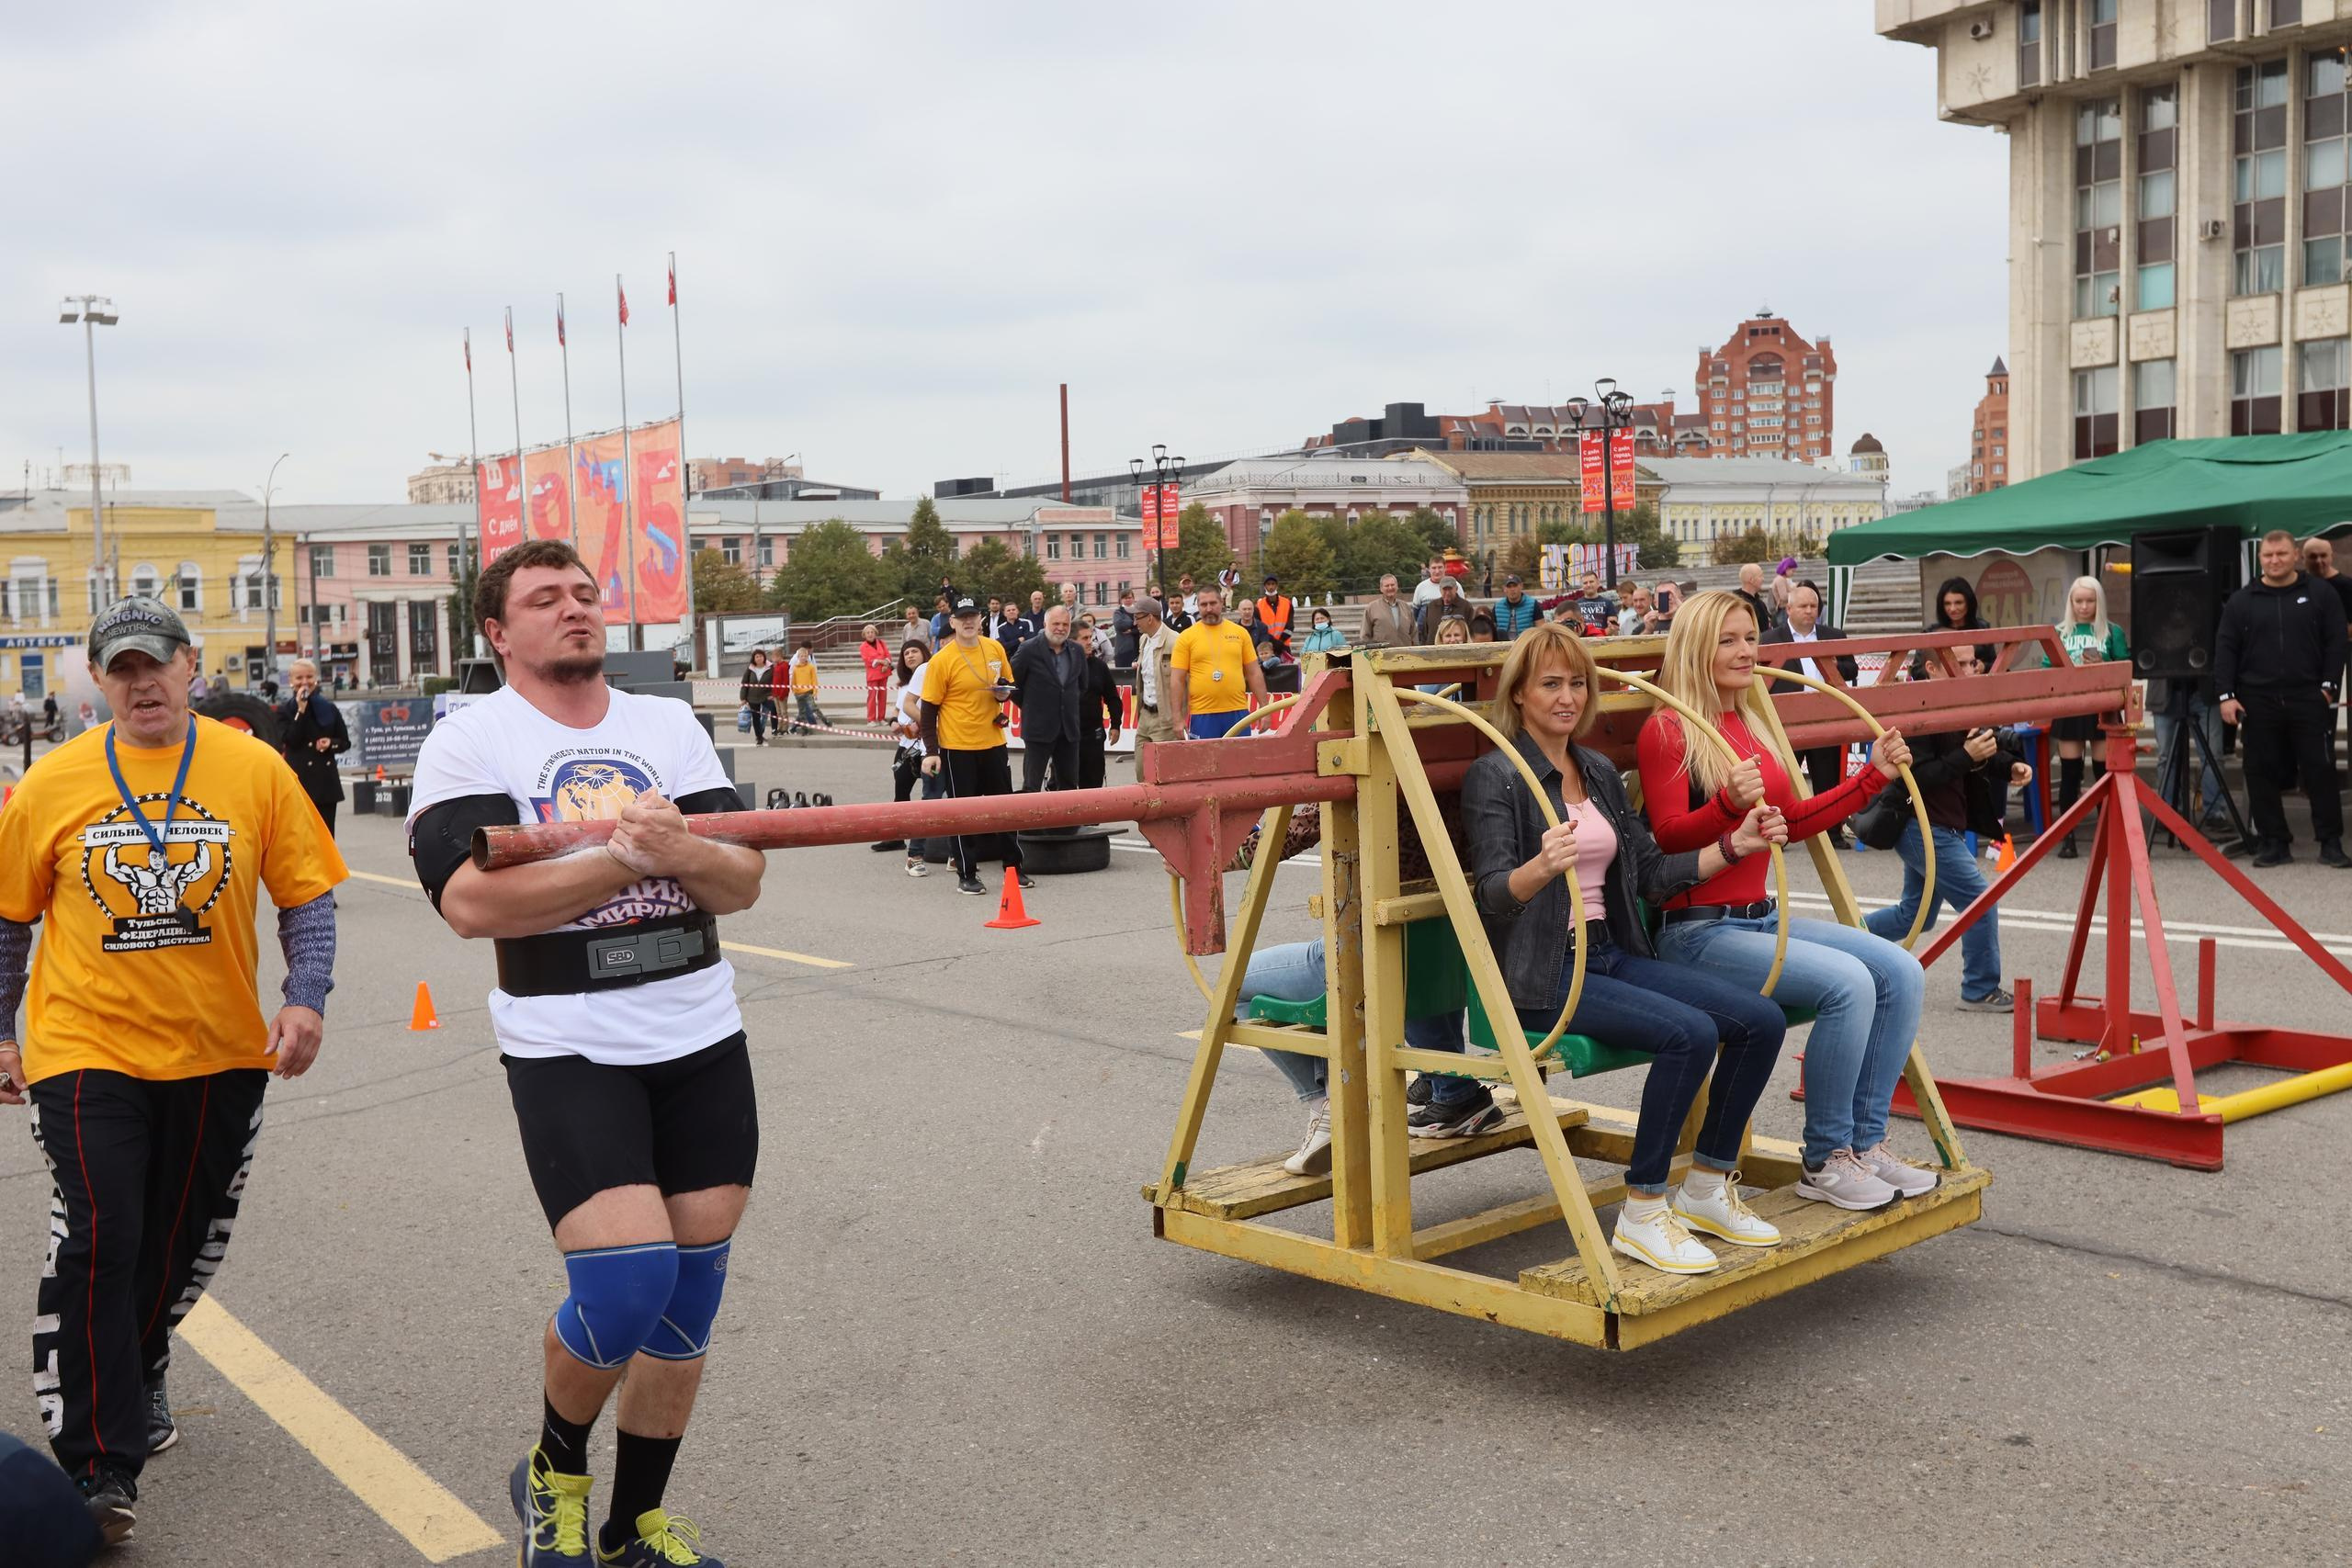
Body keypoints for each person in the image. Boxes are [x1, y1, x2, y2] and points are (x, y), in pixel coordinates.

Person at [404, 539, 762, 1568]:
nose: (574, 611)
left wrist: (680, 850)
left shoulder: (667, 726)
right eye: (545, 599)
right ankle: (553, 1472)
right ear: (496, 631)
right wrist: (620, 855)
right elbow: (472, 903)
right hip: (569, 1040)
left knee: (690, 1289)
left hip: (699, 1029)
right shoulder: (473, 743)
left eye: (584, 594)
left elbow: (737, 883)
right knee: (624, 1284)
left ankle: (635, 1522)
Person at [0, 595, 345, 1547]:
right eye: (122, 669)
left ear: (190, 666)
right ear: (100, 681)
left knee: (174, 1238)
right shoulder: (55, 782)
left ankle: (140, 1359)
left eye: (157, 663)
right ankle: (99, 1466)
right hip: (85, 1048)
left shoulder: (255, 770)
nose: (142, 682)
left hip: (219, 1049)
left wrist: (306, 995)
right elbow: (8, 920)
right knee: (103, 1234)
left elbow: (306, 899)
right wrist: (1, 1029)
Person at [1463, 622, 1791, 1273]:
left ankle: (1705, 1187)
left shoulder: (1600, 772)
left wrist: (1734, 845)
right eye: (1550, 683)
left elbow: (1648, 871)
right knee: (1690, 1034)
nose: (1567, 696)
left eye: (1577, 683)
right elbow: (1490, 893)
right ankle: (1642, 1210)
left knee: (1761, 1020)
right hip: (1543, 974)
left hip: (1609, 951)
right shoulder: (1495, 774)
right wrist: (1538, 868)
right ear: (1520, 695)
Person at [1640, 589, 1932, 1212]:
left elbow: (1792, 820)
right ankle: (1826, 1158)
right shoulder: (1667, 727)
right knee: (1849, 983)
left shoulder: (1748, 718)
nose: (1747, 650)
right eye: (1729, 639)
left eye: (1750, 637)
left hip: (1757, 919)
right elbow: (1664, 840)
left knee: (1900, 969)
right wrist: (1723, 808)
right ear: (1696, 646)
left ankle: (1863, 1143)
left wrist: (1871, 775)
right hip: (1696, 932)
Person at [1863, 647, 2030, 1010]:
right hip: (1921, 825)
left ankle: (1848, 938)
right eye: (1964, 662)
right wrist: (1967, 756)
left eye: (1973, 662)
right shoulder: (1915, 709)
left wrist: (2008, 767)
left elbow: (1975, 749)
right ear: (1932, 668)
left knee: (1915, 917)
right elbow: (1917, 776)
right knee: (1980, 903)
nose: (1973, 668)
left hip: (1939, 824)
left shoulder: (1955, 701)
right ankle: (1980, 989)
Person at [2216, 528, 2350, 868]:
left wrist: (2328, 687)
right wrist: (2227, 696)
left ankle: (2331, 842)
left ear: (2295, 555)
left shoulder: (2320, 594)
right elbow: (2226, 649)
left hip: (2308, 696)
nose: (2274, 561)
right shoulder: (2242, 601)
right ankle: (2274, 842)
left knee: (2319, 769)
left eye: (2281, 554)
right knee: (2259, 770)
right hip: (2257, 699)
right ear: (2260, 559)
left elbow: (2336, 642)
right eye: (2268, 555)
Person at [922, 595, 1034, 897]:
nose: (969, 622)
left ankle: (1013, 867)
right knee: (964, 812)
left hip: (992, 741)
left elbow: (1007, 683)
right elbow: (928, 708)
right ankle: (966, 873)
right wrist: (931, 752)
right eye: (962, 618)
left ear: (981, 619)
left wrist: (1003, 695)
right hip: (957, 746)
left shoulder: (994, 647)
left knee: (1004, 809)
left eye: (973, 617)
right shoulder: (942, 660)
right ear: (953, 622)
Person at [1760, 580, 1860, 839]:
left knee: (1827, 780)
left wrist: (1837, 666)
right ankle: (1780, 834)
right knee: (1784, 782)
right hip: (1787, 720)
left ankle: (1832, 834)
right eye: (1803, 605)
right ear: (1789, 608)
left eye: (1814, 606)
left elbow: (1853, 670)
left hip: (1825, 716)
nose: (1809, 611)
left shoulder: (1834, 635)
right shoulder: (1769, 639)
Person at [2042, 575, 2131, 859]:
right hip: (2070, 707)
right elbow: (2047, 667)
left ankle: (2108, 833)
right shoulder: (2059, 631)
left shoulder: (2112, 631)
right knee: (2070, 773)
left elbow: (2124, 667)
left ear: (2099, 602)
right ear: (2070, 602)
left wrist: (2104, 665)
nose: (2083, 606)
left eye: (2090, 601)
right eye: (2078, 601)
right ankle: (2068, 836)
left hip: (2102, 707)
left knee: (2103, 771)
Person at [1170, 587, 1268, 739]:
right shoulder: (1186, 637)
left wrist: (1265, 710)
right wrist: (1177, 717)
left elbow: (1254, 672)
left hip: (1237, 711)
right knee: (1206, 763)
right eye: (1203, 605)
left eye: (1213, 603)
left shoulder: (1240, 633)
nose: (1209, 609)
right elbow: (1177, 679)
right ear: (1198, 606)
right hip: (1203, 714)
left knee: (1239, 762)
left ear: (1221, 602)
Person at [872, 640, 934, 871]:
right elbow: (898, 710)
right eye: (906, 653)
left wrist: (921, 723)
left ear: (924, 653)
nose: (910, 656)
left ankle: (937, 843)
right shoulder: (904, 684)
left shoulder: (931, 675)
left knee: (934, 795)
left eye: (914, 651)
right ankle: (898, 836)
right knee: (901, 792)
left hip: (928, 746)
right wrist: (893, 721)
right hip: (907, 746)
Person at [1009, 604, 1086, 793]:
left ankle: (1067, 823)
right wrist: (1031, 706)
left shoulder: (1077, 650)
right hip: (1038, 729)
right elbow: (1012, 685)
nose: (1061, 628)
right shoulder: (1028, 649)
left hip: (1069, 729)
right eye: (1056, 623)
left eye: (1065, 624)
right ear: (1045, 624)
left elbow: (1082, 686)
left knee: (1068, 785)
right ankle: (1033, 823)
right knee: (1031, 787)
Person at [276, 657, 352, 831]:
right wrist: (301, 710)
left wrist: (330, 743)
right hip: (299, 783)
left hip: (325, 784)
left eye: (309, 677)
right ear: (291, 681)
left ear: (316, 678)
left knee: (325, 836)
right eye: (299, 678)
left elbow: (345, 742)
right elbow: (290, 740)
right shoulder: (285, 710)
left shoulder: (328, 708)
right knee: (300, 837)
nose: (305, 682)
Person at [1129, 597, 1180, 769]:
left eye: (1137, 617)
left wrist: (1179, 718)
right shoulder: (1144, 640)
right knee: (1141, 771)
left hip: (1165, 719)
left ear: (1150, 618)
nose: (1135, 622)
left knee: (1163, 773)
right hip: (1145, 716)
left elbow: (1184, 682)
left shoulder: (1175, 641)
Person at [1077, 631, 1123, 790]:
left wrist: (1116, 725)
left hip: (1093, 735)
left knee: (1093, 785)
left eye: (1091, 638)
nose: (1090, 642)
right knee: (1063, 787)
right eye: (1084, 638)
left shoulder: (1099, 666)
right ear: (1071, 641)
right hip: (1066, 736)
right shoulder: (1061, 665)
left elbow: (1113, 698)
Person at [1930, 574, 1996, 671]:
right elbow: (1918, 671)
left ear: (1969, 603)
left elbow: (1999, 666)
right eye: (1947, 603)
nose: (1952, 609)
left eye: (1958, 603)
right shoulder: (1931, 632)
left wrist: (1984, 667)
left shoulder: (1982, 629)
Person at [1360, 573, 1416, 649]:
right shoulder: (1371, 608)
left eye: (1392, 585)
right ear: (1381, 588)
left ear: (1397, 586)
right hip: (1381, 655)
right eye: (1387, 586)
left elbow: (1414, 633)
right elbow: (1365, 636)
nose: (1390, 588)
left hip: (1405, 654)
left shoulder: (1406, 607)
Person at [737, 649, 775, 747]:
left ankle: (775, 731)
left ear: (764, 657)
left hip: (767, 696)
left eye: (761, 656)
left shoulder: (770, 668)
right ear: (754, 658)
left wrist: (773, 694)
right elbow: (744, 683)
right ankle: (759, 737)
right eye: (757, 656)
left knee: (774, 710)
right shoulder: (750, 668)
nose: (759, 658)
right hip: (752, 697)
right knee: (756, 718)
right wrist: (743, 698)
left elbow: (775, 682)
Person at [1416, 576, 1471, 644]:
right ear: (1440, 590)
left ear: (1456, 589)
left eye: (1450, 589)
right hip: (1433, 650)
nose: (1447, 593)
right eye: (1445, 589)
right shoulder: (1431, 606)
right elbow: (1425, 632)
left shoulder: (1466, 606)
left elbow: (1471, 632)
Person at [859, 624, 892, 724]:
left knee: (883, 697)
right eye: (868, 633)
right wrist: (881, 662)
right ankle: (871, 719)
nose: (870, 634)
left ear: (875, 633)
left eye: (872, 632)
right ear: (864, 635)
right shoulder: (863, 646)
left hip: (884, 673)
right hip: (872, 676)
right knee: (872, 697)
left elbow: (888, 655)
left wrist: (886, 664)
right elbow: (868, 661)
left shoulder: (881, 643)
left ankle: (881, 718)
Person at [1253, 575, 1295, 656]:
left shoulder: (1287, 603)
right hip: (1266, 647)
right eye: (1268, 584)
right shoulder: (1258, 606)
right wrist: (1273, 641)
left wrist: (1281, 641)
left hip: (1284, 645)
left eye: (1273, 584)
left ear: (1277, 586)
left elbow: (1290, 626)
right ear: (1265, 586)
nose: (1271, 587)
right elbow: (1259, 628)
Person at [1492, 573, 1540, 638]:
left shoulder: (1533, 604)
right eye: (1509, 586)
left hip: (1526, 644)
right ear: (1504, 589)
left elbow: (1541, 630)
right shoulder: (1497, 607)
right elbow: (1492, 631)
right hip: (1503, 646)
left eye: (1515, 586)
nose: (1512, 589)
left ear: (1521, 586)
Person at [1733, 561, 1774, 633]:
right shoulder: (1739, 603)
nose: (1763, 579)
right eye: (1760, 576)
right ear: (1751, 580)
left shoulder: (1759, 602)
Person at [787, 645, 820, 733]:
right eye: (802, 656)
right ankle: (812, 724)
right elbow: (791, 673)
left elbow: (813, 674)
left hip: (808, 688)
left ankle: (794, 727)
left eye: (805, 656)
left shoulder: (809, 659)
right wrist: (794, 688)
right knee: (807, 708)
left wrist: (814, 689)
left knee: (804, 709)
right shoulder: (795, 661)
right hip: (800, 690)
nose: (804, 657)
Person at [1112, 589, 1140, 668]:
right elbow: (1119, 624)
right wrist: (1133, 622)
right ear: (1121, 600)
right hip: (1123, 650)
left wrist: (1132, 631)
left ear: (1133, 598)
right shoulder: (1118, 612)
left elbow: (1143, 627)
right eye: (1125, 598)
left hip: (1138, 648)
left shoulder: (1138, 611)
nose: (1128, 600)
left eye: (1130, 597)